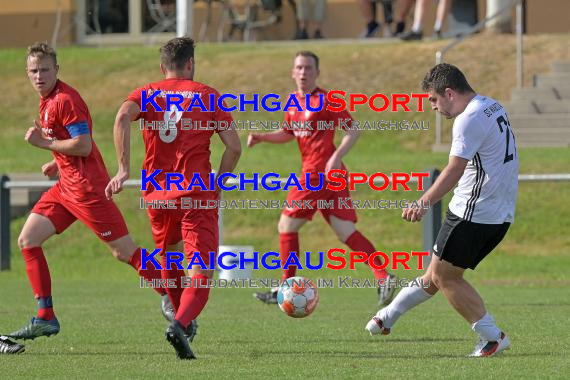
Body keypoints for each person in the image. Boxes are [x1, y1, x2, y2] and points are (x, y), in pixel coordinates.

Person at [8, 42, 168, 342]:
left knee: (124, 252)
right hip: (65, 188)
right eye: (33, 71)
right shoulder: (47, 100)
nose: (39, 75)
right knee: (28, 240)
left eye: (45, 69)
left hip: (88, 191)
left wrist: (45, 145)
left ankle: (176, 295)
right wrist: (57, 161)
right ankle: (45, 317)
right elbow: (71, 145)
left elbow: (83, 144)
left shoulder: (66, 100)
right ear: (27, 74)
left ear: (57, 69)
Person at [366, 63, 518, 357]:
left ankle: (492, 337)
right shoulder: (491, 106)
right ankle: (387, 317)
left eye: (434, 100)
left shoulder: (467, 119)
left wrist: (424, 202)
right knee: (435, 274)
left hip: (472, 213)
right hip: (498, 213)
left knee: (445, 277)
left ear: (449, 93)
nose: (433, 107)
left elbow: (453, 169)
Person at [105, 37, 241, 360]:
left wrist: (123, 169)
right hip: (196, 194)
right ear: (190, 63)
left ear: (162, 67)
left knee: (169, 260)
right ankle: (180, 324)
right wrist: (219, 180)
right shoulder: (208, 95)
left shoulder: (147, 93)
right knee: (202, 274)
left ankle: (182, 321)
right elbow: (234, 147)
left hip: (157, 195)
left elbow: (122, 117)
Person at [249, 51, 397, 307]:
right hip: (326, 175)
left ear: (317, 73)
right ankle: (383, 276)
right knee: (345, 232)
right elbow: (288, 133)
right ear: (292, 72)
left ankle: (285, 287)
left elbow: (353, 130)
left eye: (308, 68)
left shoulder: (327, 100)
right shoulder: (292, 102)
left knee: (286, 227)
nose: (304, 72)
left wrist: (336, 156)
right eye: (299, 67)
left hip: (319, 174)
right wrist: (262, 137)